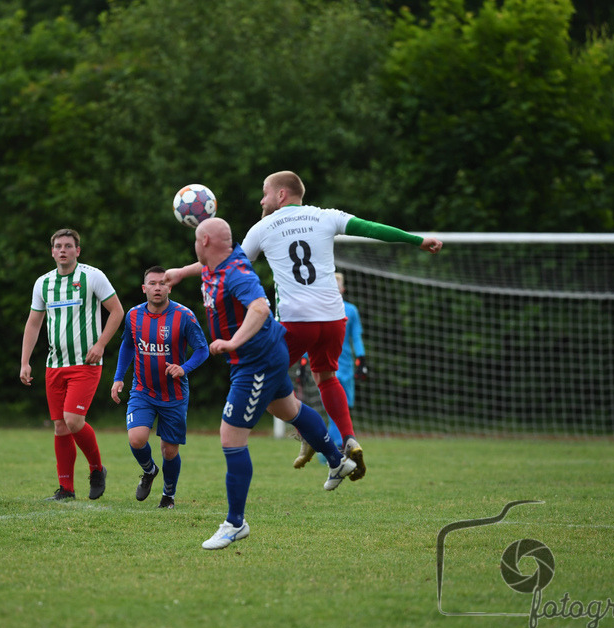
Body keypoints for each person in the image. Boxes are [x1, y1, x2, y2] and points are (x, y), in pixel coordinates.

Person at [168, 171, 442, 481]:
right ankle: (347, 437)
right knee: (325, 376)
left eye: (265, 193)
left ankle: (308, 434)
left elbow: (223, 262)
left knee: (264, 378)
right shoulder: (326, 216)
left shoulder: (264, 227)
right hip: (334, 320)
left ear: (281, 196)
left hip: (296, 321)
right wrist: (417, 240)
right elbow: (371, 228)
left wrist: (182, 272)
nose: (262, 200)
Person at [171, 217, 357, 550]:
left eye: (196, 241)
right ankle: (337, 460)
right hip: (263, 356)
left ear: (205, 243)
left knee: (230, 436)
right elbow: (204, 269)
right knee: (289, 409)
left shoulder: (236, 273)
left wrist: (232, 343)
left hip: (255, 362)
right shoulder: (222, 261)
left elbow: (259, 307)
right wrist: (180, 273)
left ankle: (235, 523)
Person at [20, 228, 123, 501]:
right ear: (52, 251)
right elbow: (34, 323)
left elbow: (117, 311)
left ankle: (97, 469)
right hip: (54, 365)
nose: (62, 250)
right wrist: (25, 362)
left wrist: (100, 345)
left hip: (85, 364)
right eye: (58, 246)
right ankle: (66, 489)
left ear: (78, 250)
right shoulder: (43, 283)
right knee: (60, 427)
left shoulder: (92, 276)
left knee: (74, 420)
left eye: (68, 245)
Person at [110, 266, 209, 509]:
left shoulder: (184, 316)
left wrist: (183, 368)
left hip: (174, 394)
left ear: (169, 287)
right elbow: (127, 346)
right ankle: (149, 470)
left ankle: (169, 495)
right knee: (136, 438)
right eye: (152, 283)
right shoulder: (133, 315)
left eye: (162, 283)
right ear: (144, 288)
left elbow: (203, 349)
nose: (157, 287)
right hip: (142, 390)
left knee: (169, 451)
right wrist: (118, 377)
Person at [294, 272, 367, 466]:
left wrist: (361, 358)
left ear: (341, 290)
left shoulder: (350, 311)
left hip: (343, 367)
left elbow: (355, 337)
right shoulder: (326, 312)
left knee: (339, 408)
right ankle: (334, 448)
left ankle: (332, 446)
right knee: (337, 408)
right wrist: (303, 360)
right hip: (332, 367)